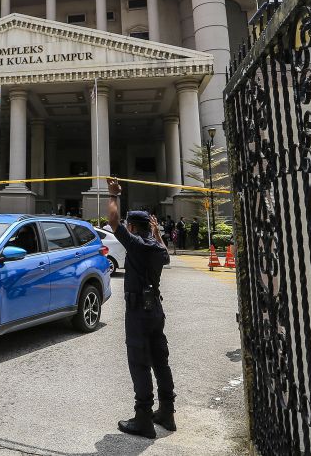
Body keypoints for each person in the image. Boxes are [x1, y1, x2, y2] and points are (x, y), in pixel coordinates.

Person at [106, 178, 176, 439]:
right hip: (156, 309)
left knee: (139, 362)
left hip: (138, 311)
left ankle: (143, 418)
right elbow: (164, 251)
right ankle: (167, 412)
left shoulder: (135, 244)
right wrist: (157, 232)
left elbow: (113, 222)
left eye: (128, 225)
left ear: (133, 227)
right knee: (160, 360)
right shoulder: (157, 247)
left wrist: (114, 194)